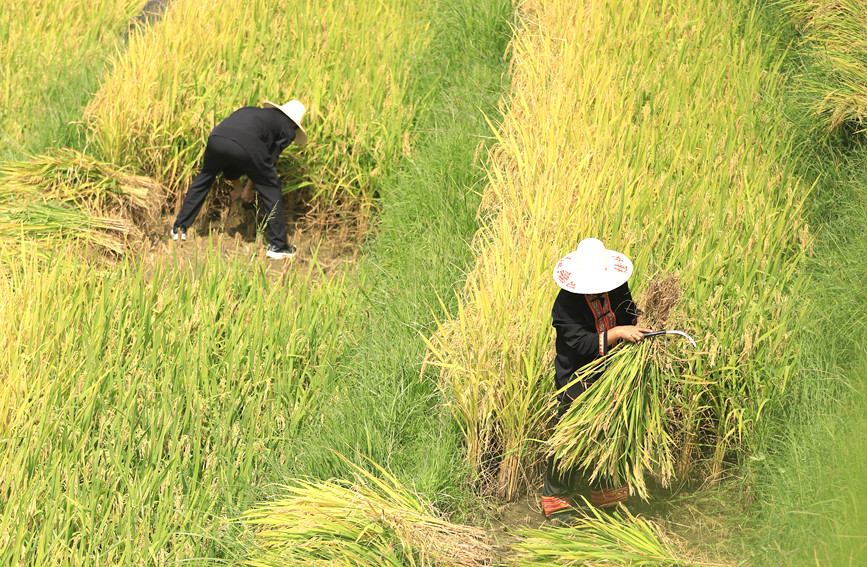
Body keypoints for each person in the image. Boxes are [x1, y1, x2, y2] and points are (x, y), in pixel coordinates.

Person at [541, 237, 651, 520]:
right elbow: (581, 344)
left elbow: (628, 310)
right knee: (570, 433)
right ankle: (556, 499)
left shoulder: (617, 285)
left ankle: (606, 494)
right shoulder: (565, 305)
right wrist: (618, 333)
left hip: (612, 370)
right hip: (577, 376)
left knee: (610, 429)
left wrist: (641, 322)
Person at [171, 100, 308, 259]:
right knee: (271, 188)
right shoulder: (287, 128)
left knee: (204, 178)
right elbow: (267, 163)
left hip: (216, 139)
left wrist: (238, 188)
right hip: (247, 146)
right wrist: (248, 189)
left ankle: (179, 229)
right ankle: (278, 246)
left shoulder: (250, 110)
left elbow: (233, 153)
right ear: (295, 123)